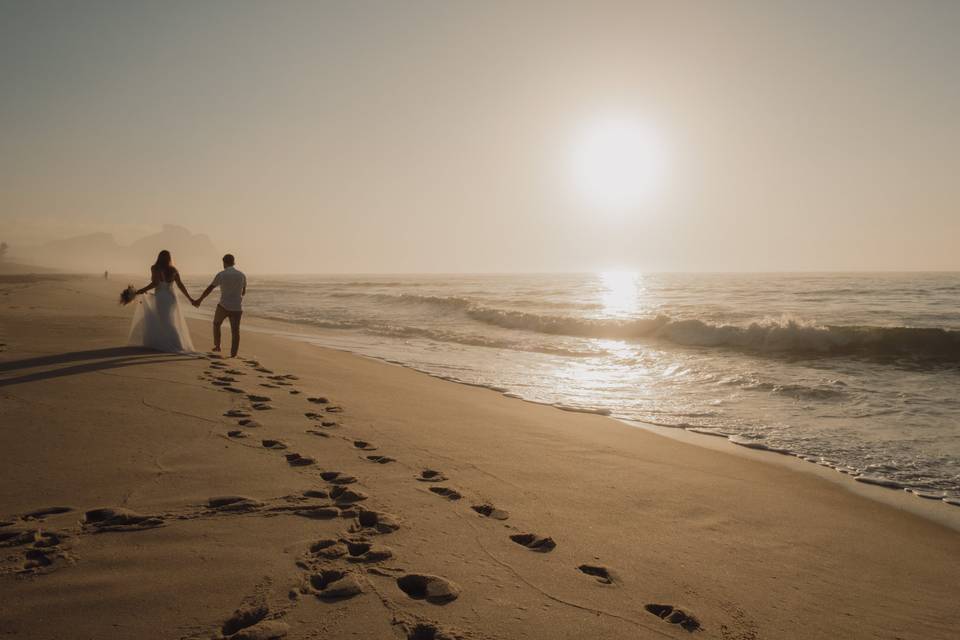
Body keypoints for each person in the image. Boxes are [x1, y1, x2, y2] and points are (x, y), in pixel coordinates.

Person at [128, 250, 196, 353]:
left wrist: (141, 291)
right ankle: (175, 343)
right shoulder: (173, 270)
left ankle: (173, 344)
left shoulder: (155, 268)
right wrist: (190, 298)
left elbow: (155, 283)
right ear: (169, 258)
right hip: (171, 298)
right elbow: (180, 285)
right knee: (169, 320)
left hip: (161, 297)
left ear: (159, 257)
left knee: (164, 320)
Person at [194, 254, 246, 357]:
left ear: (224, 262)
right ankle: (233, 354)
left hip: (223, 305)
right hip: (237, 307)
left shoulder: (221, 274)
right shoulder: (242, 275)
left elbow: (210, 288)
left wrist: (200, 300)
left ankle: (217, 346)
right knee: (235, 331)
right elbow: (243, 292)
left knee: (217, 324)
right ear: (233, 262)